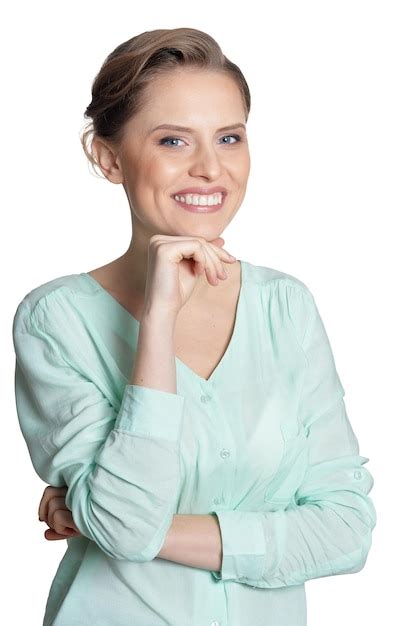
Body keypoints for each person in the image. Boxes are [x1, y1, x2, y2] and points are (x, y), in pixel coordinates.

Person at [12, 27, 377, 626]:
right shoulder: (55, 321)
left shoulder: (286, 307)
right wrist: (158, 321)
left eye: (229, 138)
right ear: (108, 157)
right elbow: (125, 523)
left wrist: (112, 524)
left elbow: (345, 531)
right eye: (174, 140)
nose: (210, 169)